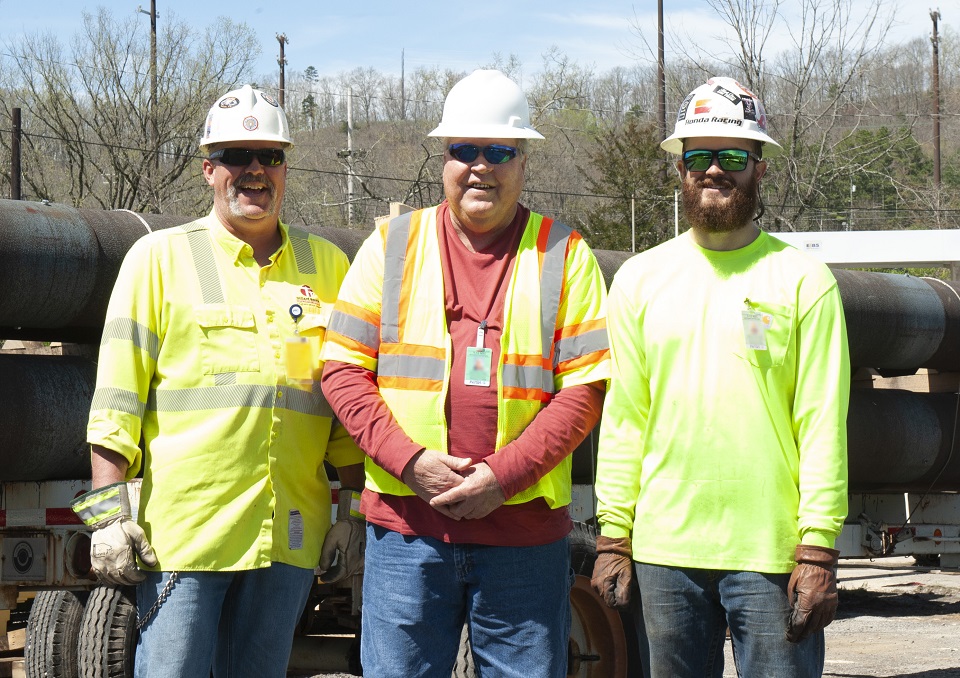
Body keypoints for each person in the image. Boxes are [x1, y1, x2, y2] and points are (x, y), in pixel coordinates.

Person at [320, 69, 610, 678]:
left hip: (522, 538)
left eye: (499, 151)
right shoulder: (390, 245)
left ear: (523, 162)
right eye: (464, 151)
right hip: (406, 531)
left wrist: (500, 479)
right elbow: (343, 371)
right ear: (444, 159)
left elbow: (584, 391)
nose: (480, 166)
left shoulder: (565, 254)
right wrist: (411, 463)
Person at [70, 84, 366, 678]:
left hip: (289, 530)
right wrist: (106, 515)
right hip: (187, 537)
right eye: (236, 156)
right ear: (209, 169)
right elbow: (118, 396)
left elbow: (341, 405)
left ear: (285, 168)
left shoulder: (329, 267)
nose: (254, 170)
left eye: (271, 156)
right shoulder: (158, 260)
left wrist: (352, 508)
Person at [591, 76, 850, 678]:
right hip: (664, 553)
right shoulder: (639, 279)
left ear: (760, 168)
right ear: (680, 168)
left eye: (733, 156)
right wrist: (613, 536)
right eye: (699, 156)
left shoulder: (804, 282)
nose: (715, 170)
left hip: (773, 553)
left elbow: (821, 422)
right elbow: (626, 416)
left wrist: (817, 547)